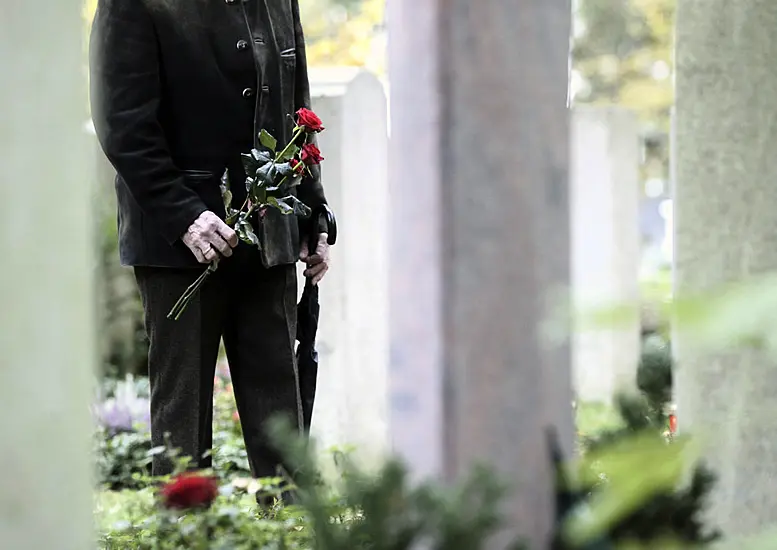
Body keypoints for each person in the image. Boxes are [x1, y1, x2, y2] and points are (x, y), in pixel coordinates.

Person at [89, 0, 332, 487]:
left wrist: (314, 215)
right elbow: (123, 124)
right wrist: (185, 216)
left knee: (284, 424)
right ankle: (185, 536)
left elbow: (295, 109)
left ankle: (289, 532)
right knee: (182, 431)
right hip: (180, 248)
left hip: (271, 234)